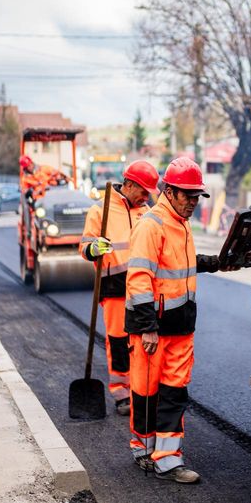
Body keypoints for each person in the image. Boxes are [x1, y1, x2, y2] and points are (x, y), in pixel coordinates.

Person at [125, 156, 235, 483]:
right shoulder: (151, 225)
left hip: (182, 327)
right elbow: (139, 278)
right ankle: (143, 450)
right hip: (154, 329)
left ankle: (168, 459)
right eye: (188, 195)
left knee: (174, 393)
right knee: (146, 393)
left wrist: (217, 262)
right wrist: (147, 327)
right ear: (169, 192)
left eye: (197, 196)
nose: (193, 202)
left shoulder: (181, 223)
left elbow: (182, 264)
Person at [79, 159, 159, 415]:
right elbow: (84, 247)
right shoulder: (99, 210)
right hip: (113, 286)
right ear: (130, 184)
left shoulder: (146, 211)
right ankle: (121, 392)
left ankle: (141, 389)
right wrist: (93, 249)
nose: (146, 197)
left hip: (142, 287)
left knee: (143, 341)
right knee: (118, 342)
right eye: (143, 191)